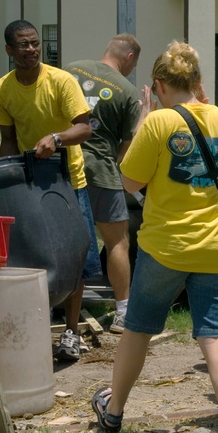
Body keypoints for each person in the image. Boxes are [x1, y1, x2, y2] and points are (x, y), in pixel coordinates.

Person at [90, 41, 218, 433]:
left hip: (165, 248)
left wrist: (143, 120)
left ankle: (114, 410)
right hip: (215, 247)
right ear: (197, 82)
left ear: (159, 85)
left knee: (138, 328)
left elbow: (128, 182)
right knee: (214, 336)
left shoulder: (158, 122)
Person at [0, 19, 101, 362]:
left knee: (74, 258)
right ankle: (37, 326)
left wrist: (58, 138)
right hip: (30, 181)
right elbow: (7, 140)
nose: (32, 49)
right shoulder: (2, 90)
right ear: (9, 50)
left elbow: (85, 127)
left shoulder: (61, 81)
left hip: (68, 181)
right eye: (23, 44)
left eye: (35, 43)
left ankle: (71, 331)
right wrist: (10, 176)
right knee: (34, 256)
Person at [67, 35, 149, 334]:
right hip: (101, 170)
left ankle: (57, 301)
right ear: (129, 57)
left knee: (66, 239)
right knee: (117, 240)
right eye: (134, 64)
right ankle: (123, 310)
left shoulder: (71, 70)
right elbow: (127, 151)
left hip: (64, 166)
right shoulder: (128, 92)